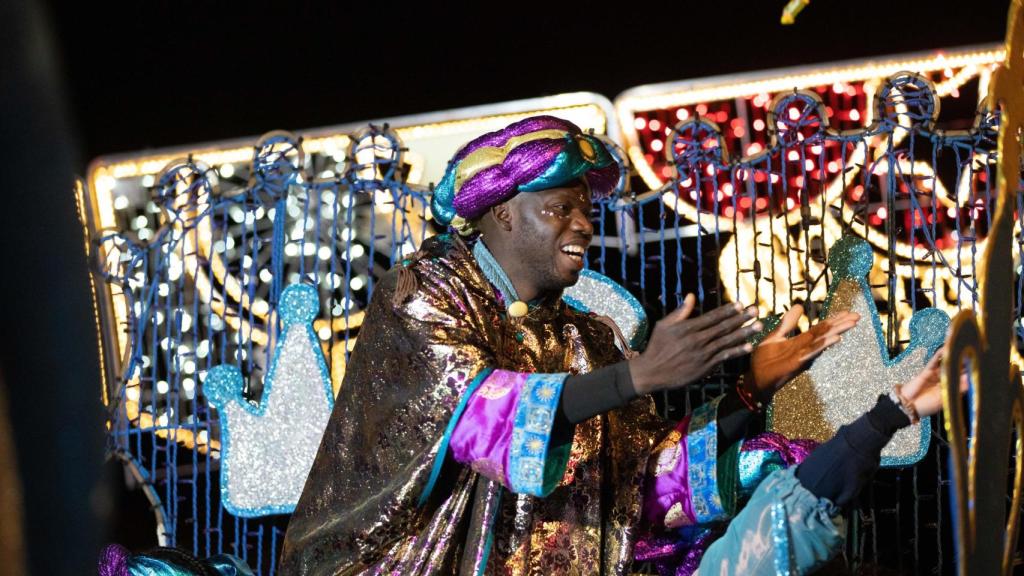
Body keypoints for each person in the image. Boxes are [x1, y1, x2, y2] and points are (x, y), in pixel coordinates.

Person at [278, 115, 928, 575]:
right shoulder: (422, 292)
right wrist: (635, 379)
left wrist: (749, 389)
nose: (585, 223)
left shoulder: (586, 337)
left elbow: (637, 487)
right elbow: (478, 420)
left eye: (587, 209)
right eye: (562, 206)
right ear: (503, 211)